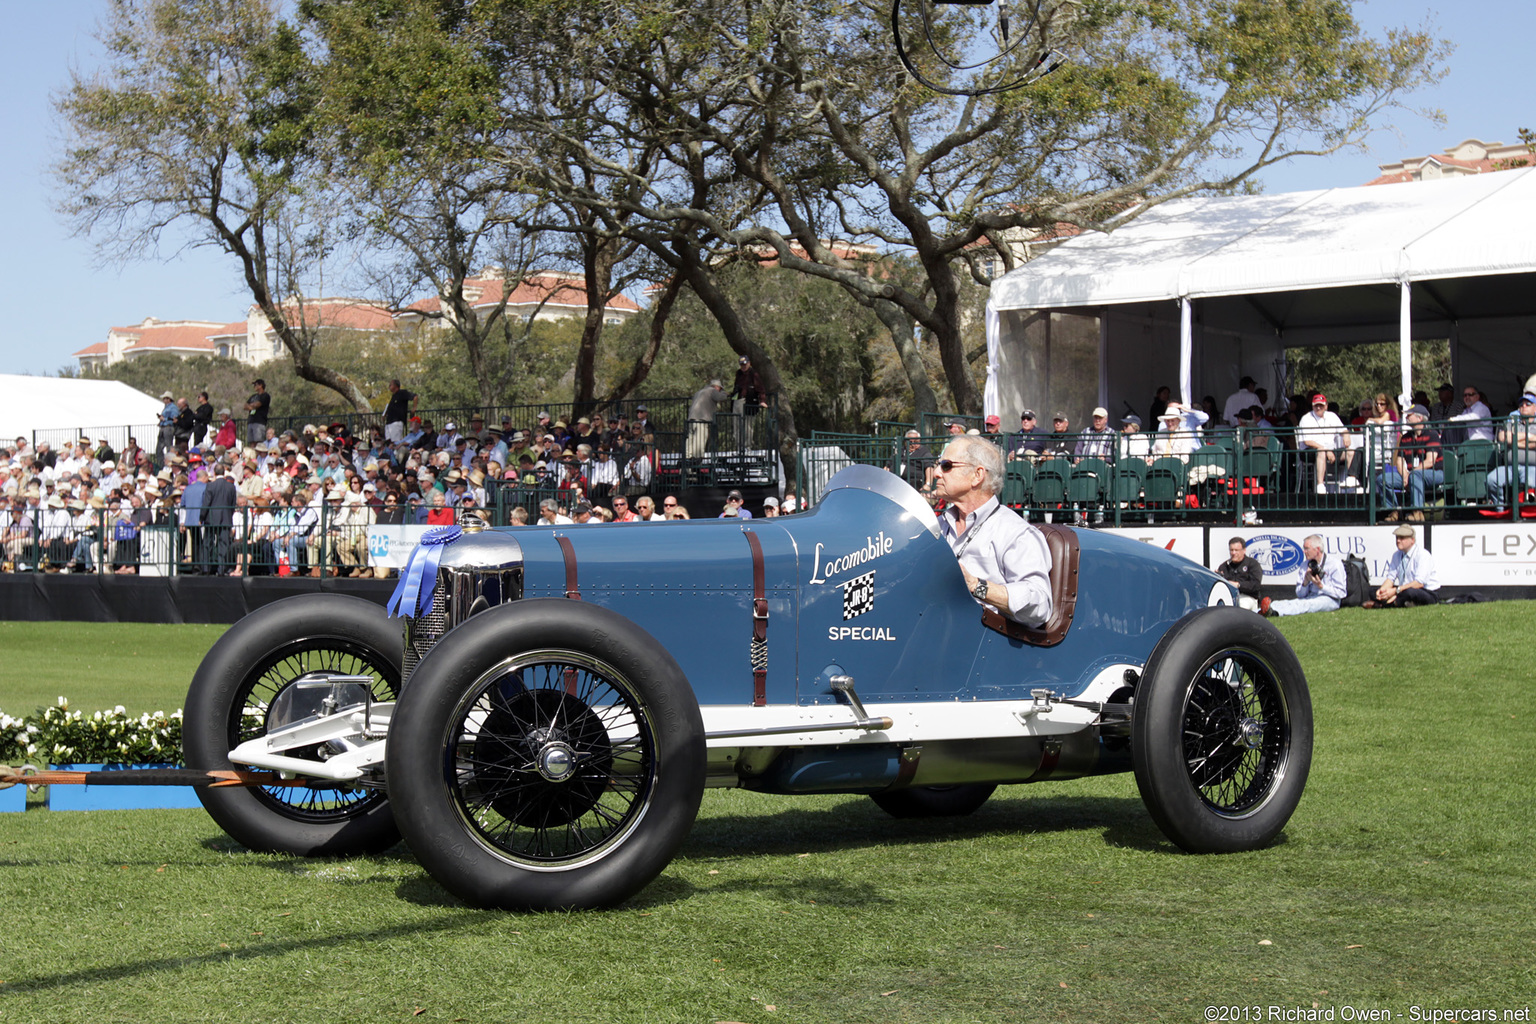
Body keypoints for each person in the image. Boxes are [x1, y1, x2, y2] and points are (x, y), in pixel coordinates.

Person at [931, 434, 1052, 628]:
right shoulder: (936, 525)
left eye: (946, 465)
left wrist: (975, 585)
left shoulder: (1015, 532)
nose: (937, 472)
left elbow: (1040, 605)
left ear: (977, 475)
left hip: (983, 646)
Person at [1380, 406, 1442, 522]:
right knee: (1383, 479)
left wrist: (1410, 474)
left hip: (1435, 473)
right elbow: (1399, 460)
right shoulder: (1406, 437)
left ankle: (1417, 512)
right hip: (1412, 475)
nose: (1406, 417)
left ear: (1419, 418)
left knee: (1416, 476)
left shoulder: (1432, 434)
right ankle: (1394, 511)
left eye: (1409, 415)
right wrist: (1404, 475)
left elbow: (1430, 461)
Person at [1484, 390, 1536, 516]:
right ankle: (1500, 510)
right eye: (1521, 404)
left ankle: (1528, 513)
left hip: (1533, 467)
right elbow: (1502, 437)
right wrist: (1528, 436)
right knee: (1491, 479)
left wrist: (1515, 442)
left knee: (1530, 484)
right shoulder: (1512, 420)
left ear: (1535, 407)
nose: (1524, 406)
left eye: (1528, 404)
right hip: (1511, 467)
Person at [1264, 535, 1345, 617]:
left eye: (1307, 548)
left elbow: (1341, 593)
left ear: (1317, 549)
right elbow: (1300, 595)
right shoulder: (1305, 565)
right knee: (1288, 602)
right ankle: (1258, 612)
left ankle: (1276, 613)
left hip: (1330, 599)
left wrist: (1321, 586)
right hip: (1309, 597)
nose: (1304, 551)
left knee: (1306, 604)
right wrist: (1305, 583)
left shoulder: (1334, 564)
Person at [1371, 524, 1439, 607]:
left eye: (1402, 538)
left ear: (1412, 540)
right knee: (1372, 591)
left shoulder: (1423, 555)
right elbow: (1390, 578)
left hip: (1426, 592)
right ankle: (1397, 602)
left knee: (1409, 592)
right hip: (1403, 589)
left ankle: (1386, 604)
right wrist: (1382, 591)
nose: (1398, 541)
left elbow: (1419, 583)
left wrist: (1396, 591)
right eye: (1397, 538)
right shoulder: (1396, 555)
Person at [1296, 393, 1348, 492]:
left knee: (1350, 452)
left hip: (1330, 450)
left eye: (1321, 405)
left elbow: (1344, 430)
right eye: (1316, 405)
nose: (1319, 407)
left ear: (1326, 406)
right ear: (1312, 406)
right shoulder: (1306, 418)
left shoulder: (1332, 416)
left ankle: (1351, 481)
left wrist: (1346, 435)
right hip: (1310, 451)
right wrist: (1326, 450)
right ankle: (1320, 485)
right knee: (1321, 451)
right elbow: (1308, 441)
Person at [1216, 536, 1264, 612]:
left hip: (1248, 597)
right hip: (1229, 597)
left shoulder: (1252, 564)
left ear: (1244, 550)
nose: (1233, 553)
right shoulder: (1224, 566)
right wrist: (1218, 577)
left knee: (1240, 606)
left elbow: (1256, 585)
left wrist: (1238, 585)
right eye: (1231, 550)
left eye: (1236, 550)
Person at [730, 355, 768, 448]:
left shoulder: (753, 374)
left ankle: (747, 446)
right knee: (736, 424)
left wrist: (762, 400)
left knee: (747, 425)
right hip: (737, 401)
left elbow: (760, 388)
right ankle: (739, 446)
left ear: (749, 363)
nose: (743, 366)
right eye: (742, 364)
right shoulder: (738, 373)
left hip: (748, 401)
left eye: (745, 364)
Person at [687, 379, 730, 459]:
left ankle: (687, 459)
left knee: (690, 440)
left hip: (691, 418)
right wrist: (725, 394)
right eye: (720, 389)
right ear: (717, 387)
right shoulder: (712, 391)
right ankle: (697, 460)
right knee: (699, 440)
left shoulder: (699, 392)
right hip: (701, 419)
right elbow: (720, 397)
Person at [383, 379, 418, 444]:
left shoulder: (402, 393)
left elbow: (415, 396)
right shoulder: (393, 396)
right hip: (389, 422)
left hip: (396, 422)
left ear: (395, 386)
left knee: (396, 442)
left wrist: (414, 407)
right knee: (388, 442)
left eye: (391, 385)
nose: (389, 386)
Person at [245, 379, 270, 446]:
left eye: (256, 385)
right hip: (251, 421)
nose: (254, 386)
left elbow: (258, 404)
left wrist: (251, 406)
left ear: (260, 385)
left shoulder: (265, 395)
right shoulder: (253, 396)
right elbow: (245, 406)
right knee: (251, 441)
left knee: (258, 441)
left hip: (259, 422)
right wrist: (252, 406)